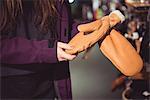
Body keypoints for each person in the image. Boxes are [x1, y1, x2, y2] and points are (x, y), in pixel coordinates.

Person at [0, 0, 79, 99]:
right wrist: (47, 50)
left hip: (48, 82)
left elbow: (62, 29)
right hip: (9, 86)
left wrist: (87, 31)